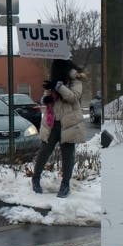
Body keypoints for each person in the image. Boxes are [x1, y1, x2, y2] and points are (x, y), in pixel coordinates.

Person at [32, 60, 87, 198]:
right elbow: (44, 97)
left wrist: (58, 87)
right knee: (44, 152)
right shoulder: (53, 81)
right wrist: (46, 99)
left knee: (68, 156)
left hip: (69, 123)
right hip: (52, 123)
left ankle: (65, 185)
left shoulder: (76, 81)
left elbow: (73, 97)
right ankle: (35, 179)